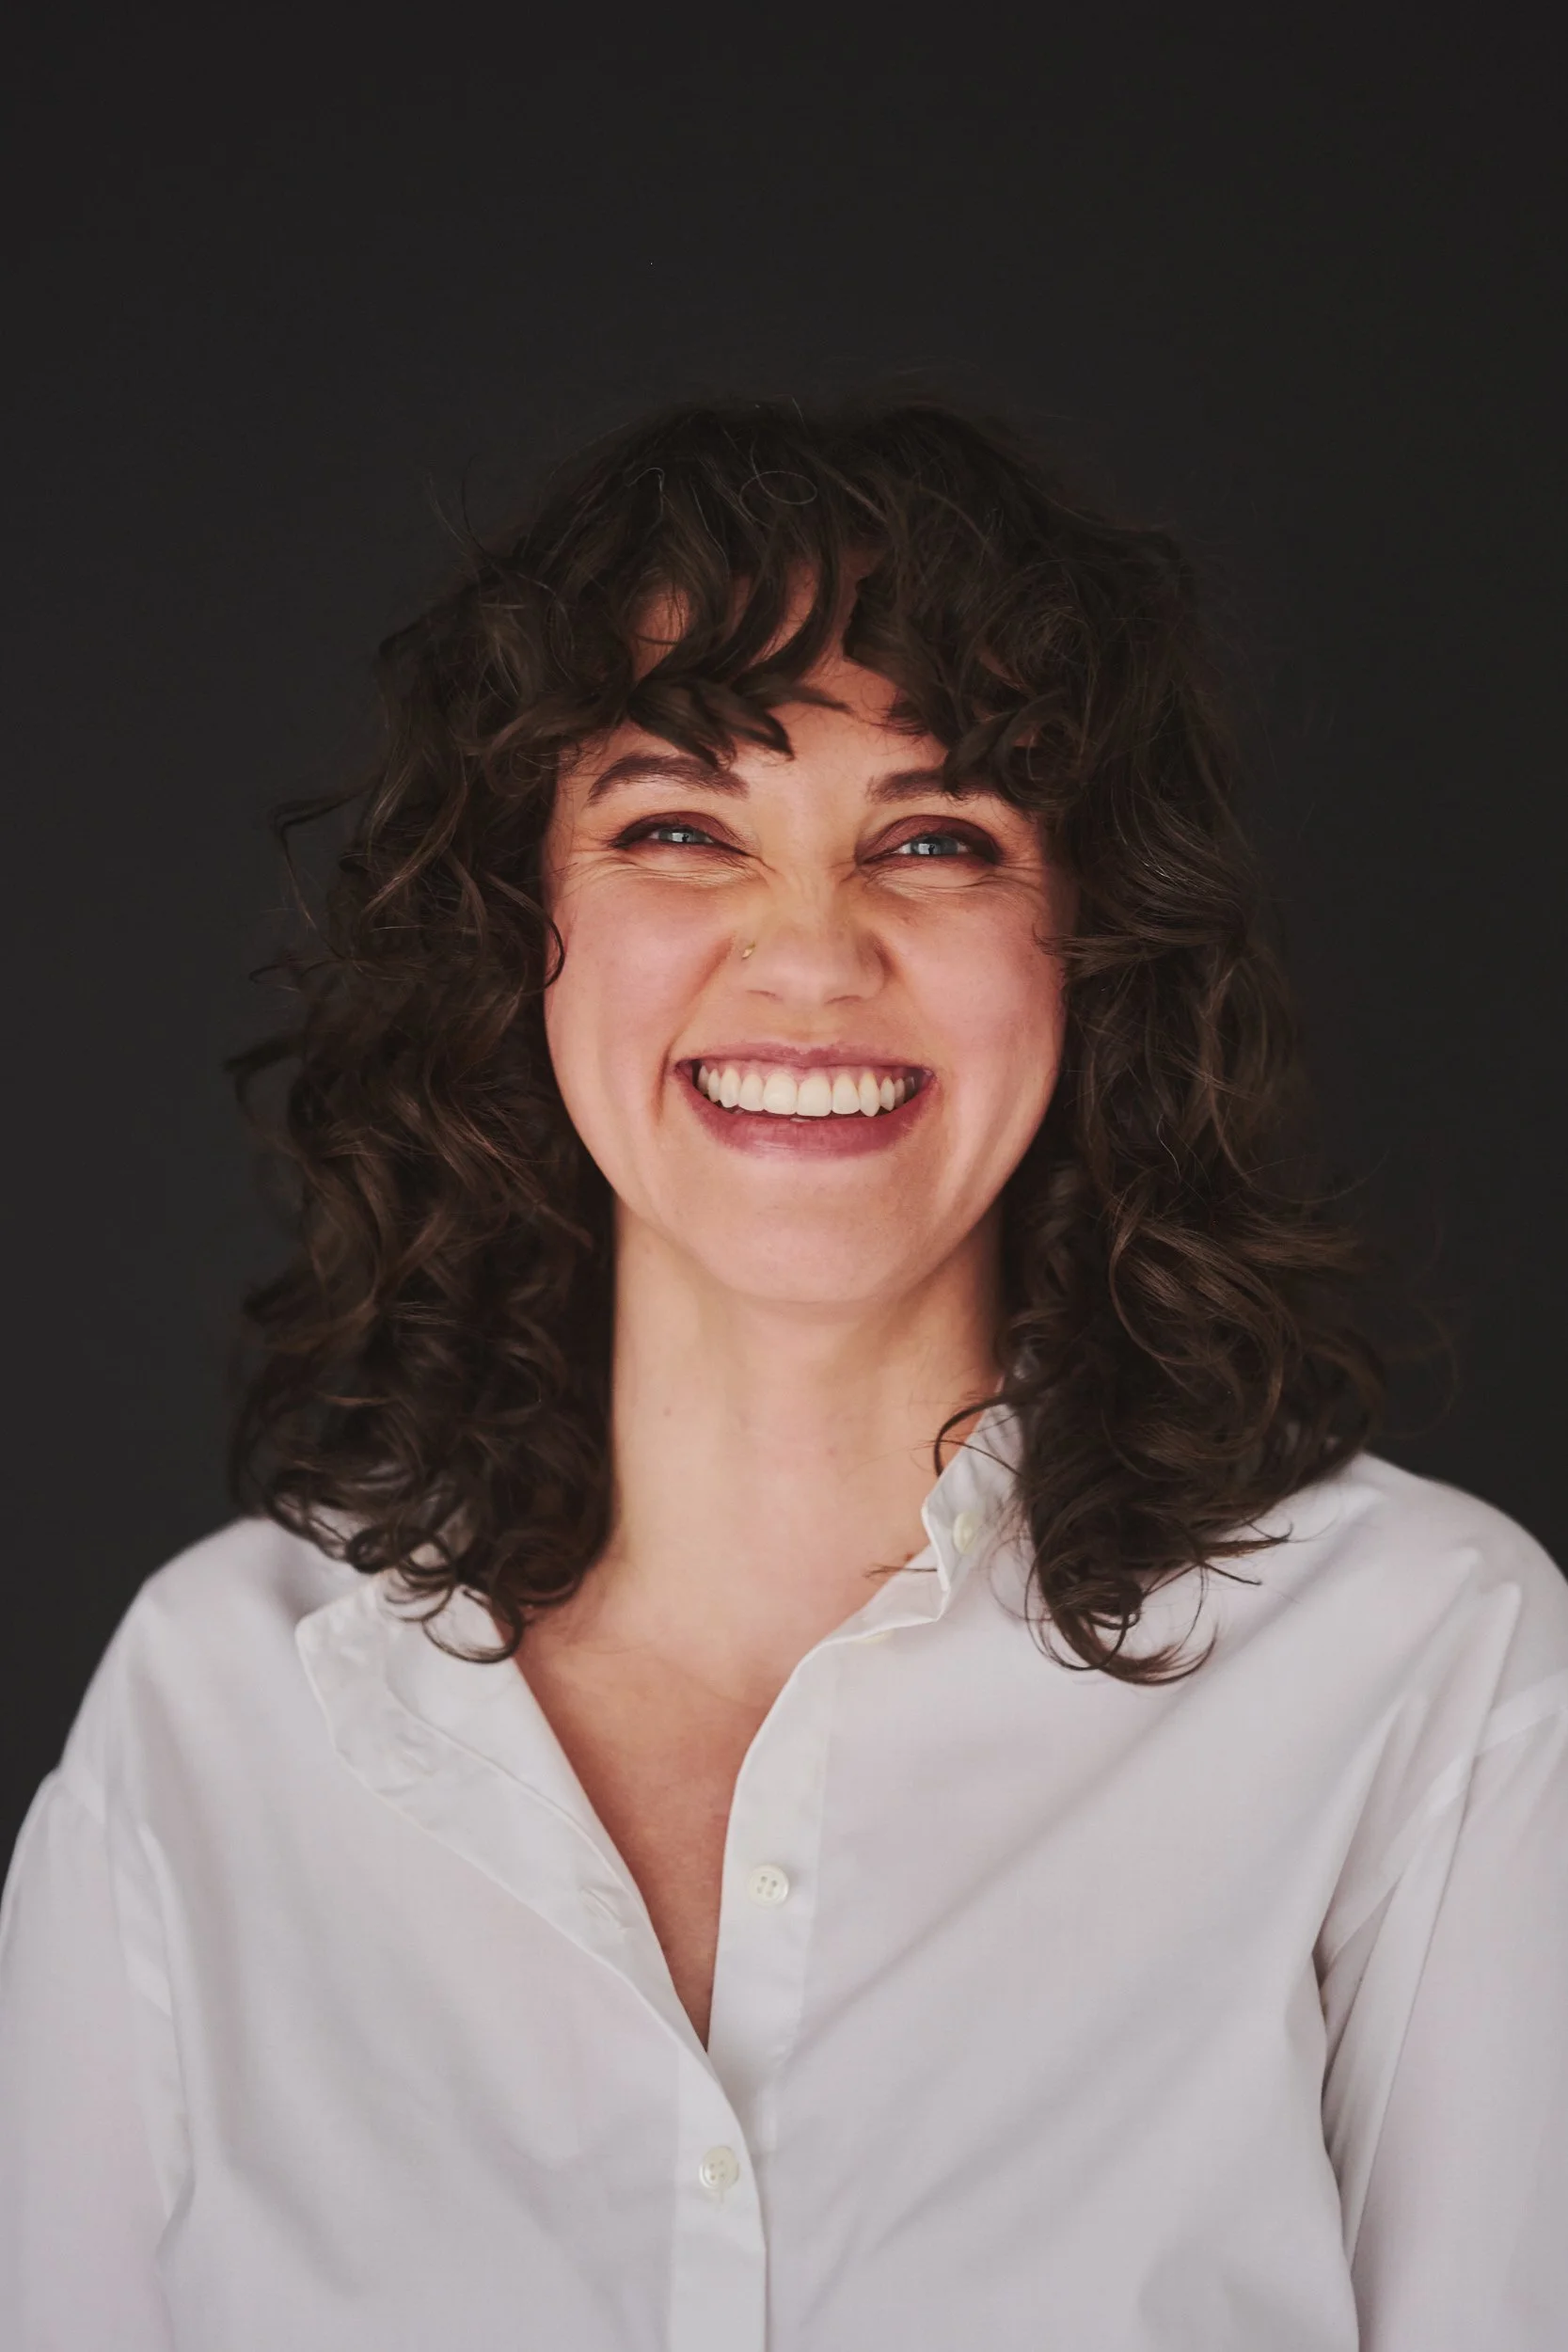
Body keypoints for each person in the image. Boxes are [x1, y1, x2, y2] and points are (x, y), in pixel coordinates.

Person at [2, 394, 1564, 2351]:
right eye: (677, 826)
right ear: (519, 931)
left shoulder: (1427, 1674)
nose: (808, 954)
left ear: (1084, 942)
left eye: (930, 836)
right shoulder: (205, 1717)